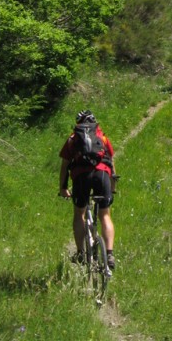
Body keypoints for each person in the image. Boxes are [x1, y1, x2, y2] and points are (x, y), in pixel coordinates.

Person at [59, 110, 117, 270]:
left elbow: (64, 166)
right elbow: (110, 161)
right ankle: (110, 254)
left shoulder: (73, 139)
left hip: (81, 176)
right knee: (105, 215)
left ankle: (80, 254)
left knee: (79, 214)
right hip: (102, 175)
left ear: (78, 124)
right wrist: (112, 186)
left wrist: (63, 188)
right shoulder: (102, 137)